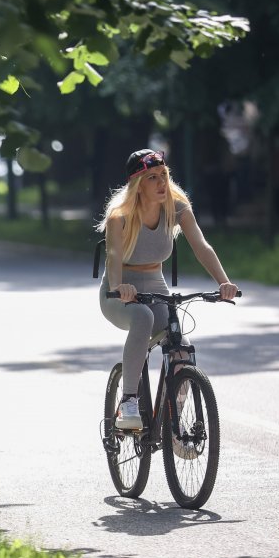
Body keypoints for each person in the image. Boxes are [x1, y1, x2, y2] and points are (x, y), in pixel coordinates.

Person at [97, 149, 239, 429]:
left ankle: (173, 422)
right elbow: (113, 257)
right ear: (138, 185)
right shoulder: (120, 216)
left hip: (155, 286)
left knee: (182, 350)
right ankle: (129, 400)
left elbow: (202, 247)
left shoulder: (177, 208)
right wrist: (119, 287)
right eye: (152, 177)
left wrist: (223, 282)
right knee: (142, 318)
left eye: (164, 175)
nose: (162, 183)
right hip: (117, 292)